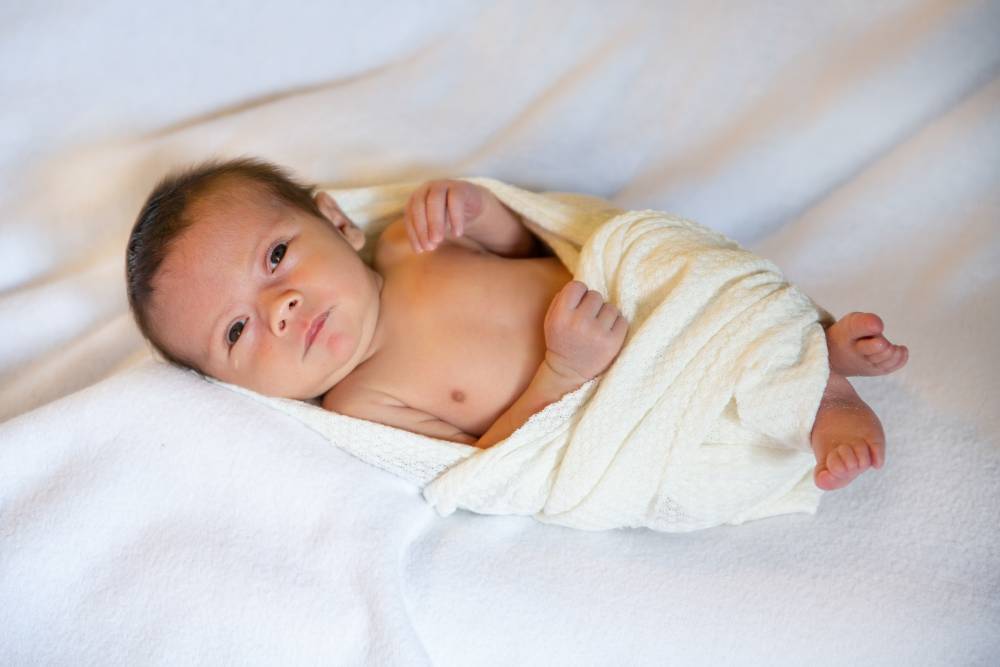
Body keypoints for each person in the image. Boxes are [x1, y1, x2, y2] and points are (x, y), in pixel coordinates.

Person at [126, 157, 908, 493]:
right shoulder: (365, 403)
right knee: (720, 409)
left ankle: (811, 340)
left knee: (692, 272)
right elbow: (498, 456)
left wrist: (479, 209)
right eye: (236, 332)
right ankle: (823, 388)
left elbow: (536, 238)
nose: (280, 308)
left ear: (335, 220)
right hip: (624, 396)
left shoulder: (412, 238)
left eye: (275, 256)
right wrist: (562, 373)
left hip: (643, 298)